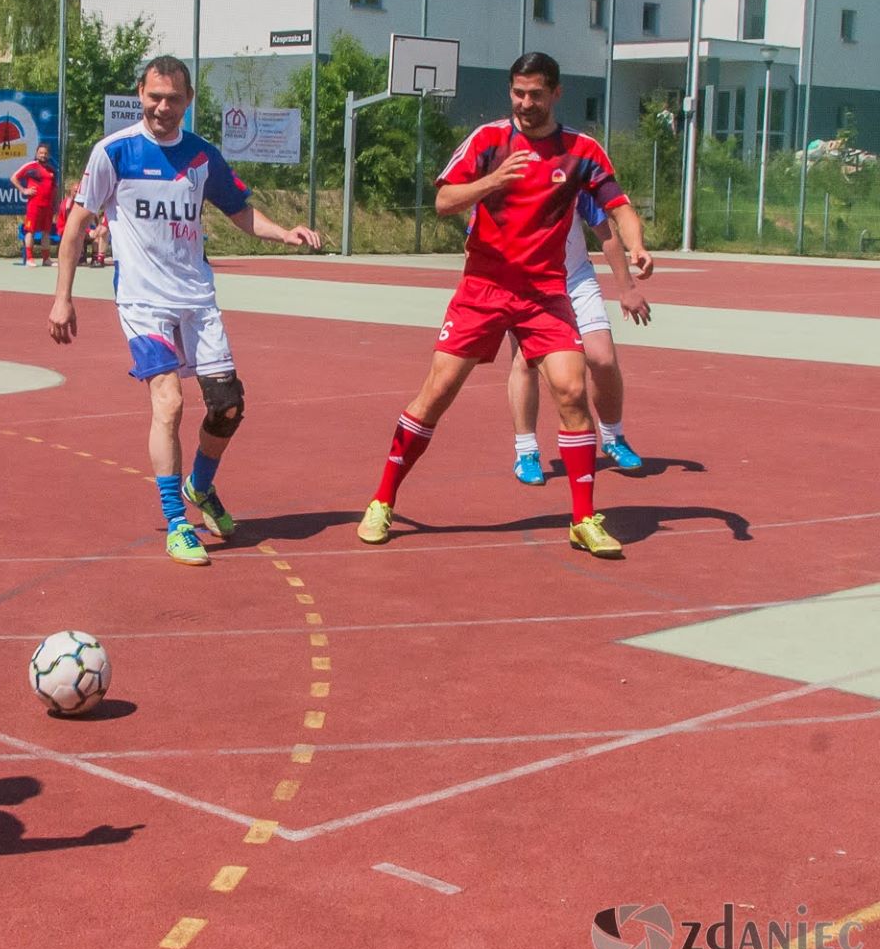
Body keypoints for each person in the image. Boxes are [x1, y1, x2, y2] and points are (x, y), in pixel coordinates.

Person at [355, 52, 652, 559]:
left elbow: (617, 206)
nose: (525, 103)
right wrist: (493, 181)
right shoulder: (489, 140)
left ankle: (583, 518)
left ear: (556, 93)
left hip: (545, 294)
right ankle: (382, 499)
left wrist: (637, 245)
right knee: (437, 393)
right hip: (483, 290)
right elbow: (445, 201)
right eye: (518, 93)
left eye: (536, 94)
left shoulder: (581, 150)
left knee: (573, 391)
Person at [48, 56, 321, 566]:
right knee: (169, 404)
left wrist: (284, 231)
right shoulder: (115, 152)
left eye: (173, 98)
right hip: (143, 303)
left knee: (228, 408)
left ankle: (201, 485)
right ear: (140, 93)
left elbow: (239, 210)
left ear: (188, 100)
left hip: (197, 300)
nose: (163, 107)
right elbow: (78, 223)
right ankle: (177, 521)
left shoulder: (201, 156)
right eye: (154, 96)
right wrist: (63, 297)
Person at [506, 192, 651, 484]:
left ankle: (612, 436)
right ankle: (526, 451)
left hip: (576, 280)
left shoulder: (573, 177)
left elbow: (606, 232)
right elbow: (475, 240)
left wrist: (626, 288)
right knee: (525, 362)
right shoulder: (505, 176)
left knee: (603, 358)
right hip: (526, 284)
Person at [11, 142, 59, 266]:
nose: (43, 155)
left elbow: (55, 189)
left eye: (45, 153)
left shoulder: (52, 170)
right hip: (34, 206)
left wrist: (56, 205)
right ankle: (29, 258)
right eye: (40, 153)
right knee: (30, 231)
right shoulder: (30, 166)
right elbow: (14, 178)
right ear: (36, 154)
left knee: (46, 233)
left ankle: (46, 259)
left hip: (48, 207)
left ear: (48, 155)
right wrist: (24, 190)